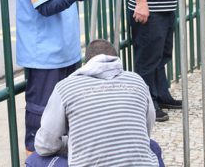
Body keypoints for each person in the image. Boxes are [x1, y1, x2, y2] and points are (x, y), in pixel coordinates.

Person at [16, 0, 128, 155]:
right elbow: (46, 6)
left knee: (65, 117)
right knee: (40, 118)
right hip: (44, 58)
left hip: (65, 53)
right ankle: (34, 161)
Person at [25, 39, 165, 167]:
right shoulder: (137, 81)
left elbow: (45, 145)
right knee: (153, 147)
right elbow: (146, 130)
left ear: (86, 63)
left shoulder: (65, 87)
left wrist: (69, 143)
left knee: (35, 159)